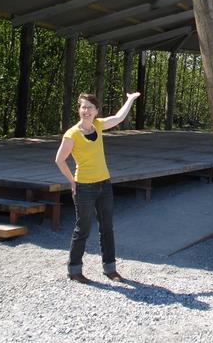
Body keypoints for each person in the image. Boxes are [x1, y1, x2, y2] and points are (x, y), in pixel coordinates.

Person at [55, 91, 141, 284]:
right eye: (83, 107)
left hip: (104, 184)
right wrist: (72, 181)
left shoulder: (99, 125)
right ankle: (74, 270)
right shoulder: (72, 134)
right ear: (79, 109)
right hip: (84, 187)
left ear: (96, 111)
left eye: (90, 108)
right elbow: (59, 160)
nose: (86, 110)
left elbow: (119, 117)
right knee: (83, 228)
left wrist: (130, 99)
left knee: (107, 227)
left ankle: (110, 269)